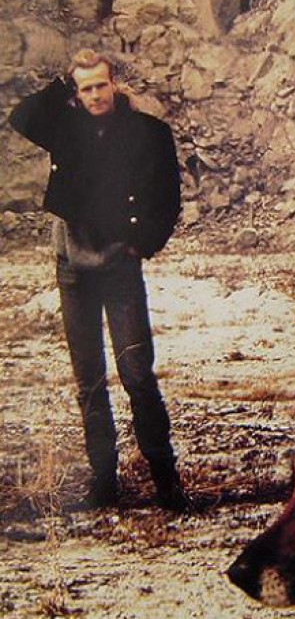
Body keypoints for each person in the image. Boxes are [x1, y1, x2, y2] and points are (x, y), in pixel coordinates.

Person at [9, 49, 191, 512]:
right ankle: (104, 481)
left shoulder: (147, 131)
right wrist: (62, 84)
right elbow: (22, 117)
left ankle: (165, 479)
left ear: (115, 84)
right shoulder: (64, 125)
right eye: (85, 88)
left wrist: (141, 244)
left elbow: (168, 196)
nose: (95, 95)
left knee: (137, 374)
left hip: (119, 265)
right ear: (76, 92)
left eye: (100, 85)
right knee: (88, 378)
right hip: (72, 266)